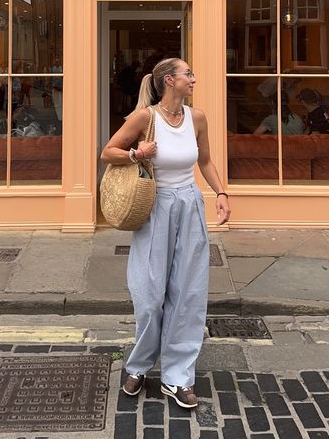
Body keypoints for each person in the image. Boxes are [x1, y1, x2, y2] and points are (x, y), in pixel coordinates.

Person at [100, 57, 231, 409]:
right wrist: (136, 153)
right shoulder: (146, 117)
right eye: (189, 73)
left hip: (189, 206)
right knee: (148, 293)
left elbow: (204, 161)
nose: (194, 78)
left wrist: (221, 194)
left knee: (188, 292)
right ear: (170, 80)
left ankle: (178, 376)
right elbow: (107, 151)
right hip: (155, 207)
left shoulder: (197, 117)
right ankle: (140, 364)